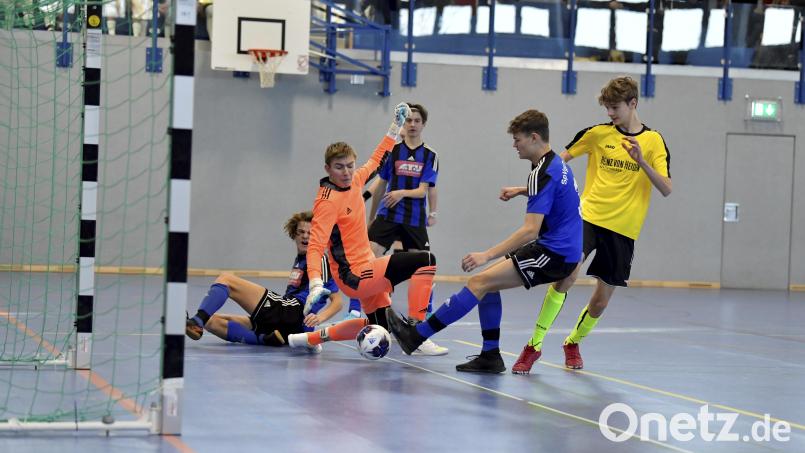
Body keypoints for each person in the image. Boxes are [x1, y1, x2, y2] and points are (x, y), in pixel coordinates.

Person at [386, 109, 583, 374]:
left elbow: (529, 230)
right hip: (564, 248)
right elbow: (557, 197)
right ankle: (490, 355)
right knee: (488, 284)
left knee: (479, 281)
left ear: (534, 137)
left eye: (518, 139)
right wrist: (522, 191)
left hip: (555, 252)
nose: (514, 145)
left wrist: (486, 254)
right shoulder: (558, 165)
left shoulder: (541, 173)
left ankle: (416, 336)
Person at [505, 76, 672, 373]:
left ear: (633, 103)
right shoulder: (596, 134)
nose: (609, 113)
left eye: (615, 107)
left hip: (624, 229)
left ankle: (573, 342)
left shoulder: (654, 142)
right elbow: (553, 166)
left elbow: (666, 188)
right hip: (587, 218)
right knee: (567, 275)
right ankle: (534, 344)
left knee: (600, 301)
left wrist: (642, 161)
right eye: (607, 107)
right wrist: (524, 188)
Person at [286, 103, 438, 352]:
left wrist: (394, 127)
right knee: (425, 261)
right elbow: (315, 246)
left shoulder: (355, 180)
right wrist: (315, 282)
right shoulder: (326, 202)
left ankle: (305, 339)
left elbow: (378, 159)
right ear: (327, 169)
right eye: (339, 167)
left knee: (378, 325)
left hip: (365, 266)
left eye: (349, 165)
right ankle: (416, 332)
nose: (346, 172)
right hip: (354, 275)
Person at [185, 211, 342, 351]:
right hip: (286, 324)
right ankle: (266, 339)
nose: (305, 236)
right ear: (294, 234)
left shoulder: (319, 259)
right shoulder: (300, 260)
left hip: (293, 313)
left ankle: (196, 321)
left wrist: (318, 319)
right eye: (301, 232)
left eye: (310, 233)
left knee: (225, 279)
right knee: (211, 321)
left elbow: (337, 302)